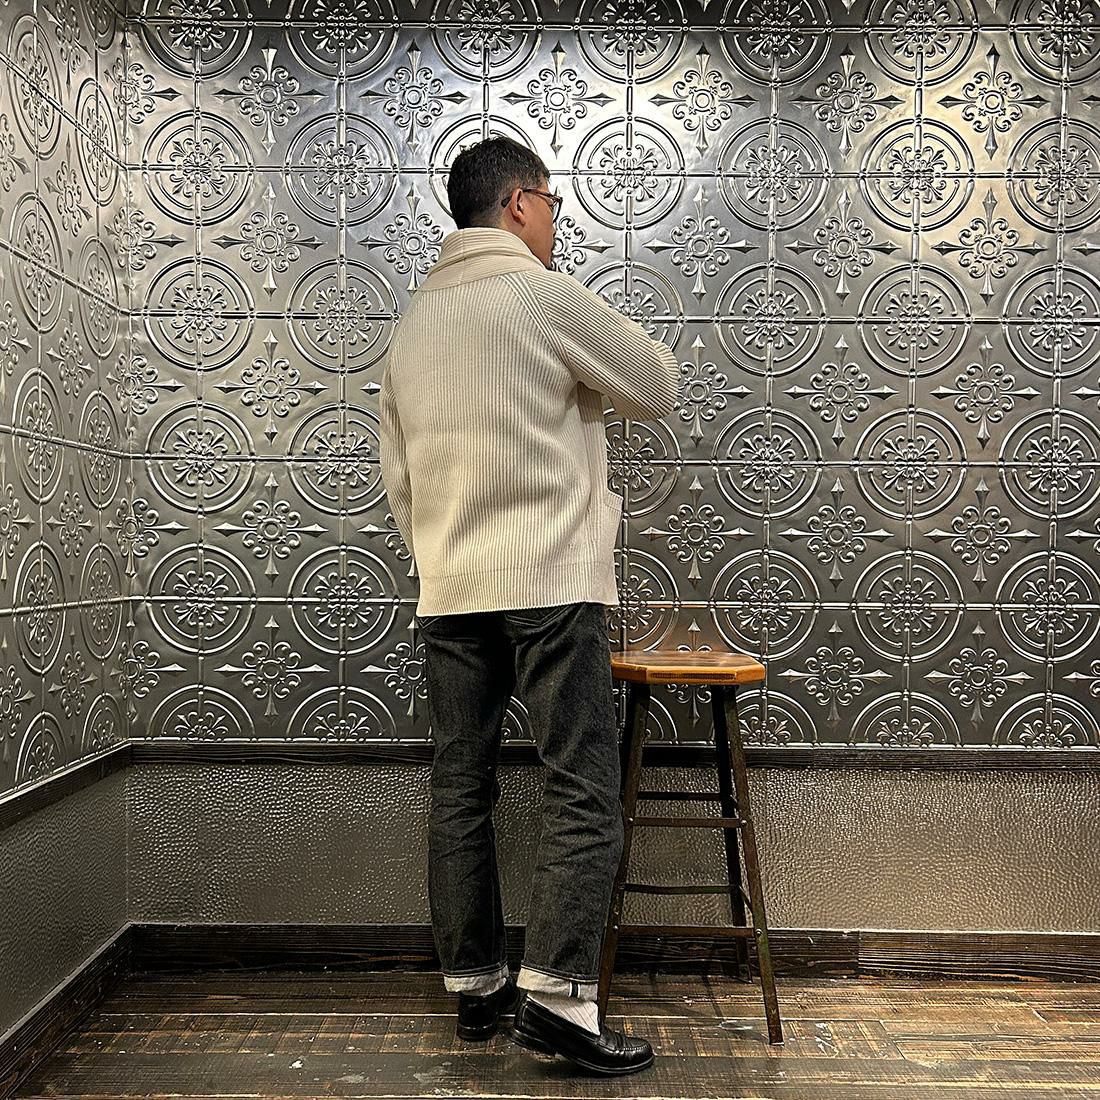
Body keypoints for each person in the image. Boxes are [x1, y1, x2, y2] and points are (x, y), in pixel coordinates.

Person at [378, 136, 679, 1076]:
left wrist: (441, 558)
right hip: (549, 578)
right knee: (578, 785)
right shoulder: (541, 295)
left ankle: (475, 988)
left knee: (460, 785)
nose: (554, 221)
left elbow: (398, 477)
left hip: (452, 585)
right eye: (550, 203)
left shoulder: (415, 321)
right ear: (517, 203)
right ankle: (559, 1002)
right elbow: (657, 384)